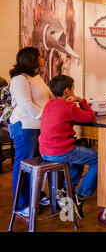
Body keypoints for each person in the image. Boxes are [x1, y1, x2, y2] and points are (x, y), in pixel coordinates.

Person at [38, 75, 97, 219]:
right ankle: (80, 196)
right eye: (73, 88)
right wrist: (81, 101)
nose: (74, 90)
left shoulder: (49, 104)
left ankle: (66, 190)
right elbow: (90, 117)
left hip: (44, 150)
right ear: (67, 90)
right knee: (99, 159)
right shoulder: (69, 106)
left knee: (79, 156)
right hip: (60, 151)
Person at [8, 47, 53, 217]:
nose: (42, 58)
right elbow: (26, 105)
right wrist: (48, 115)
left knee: (37, 164)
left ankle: (37, 195)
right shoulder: (19, 79)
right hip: (25, 126)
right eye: (40, 56)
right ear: (31, 59)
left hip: (39, 126)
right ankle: (21, 204)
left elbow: (49, 98)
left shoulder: (37, 78)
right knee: (23, 165)